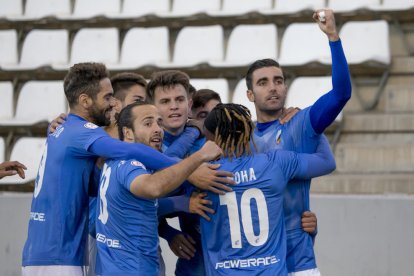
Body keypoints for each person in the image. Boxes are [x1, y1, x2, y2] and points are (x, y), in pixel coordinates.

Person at [21, 63, 233, 276]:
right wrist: (192, 168)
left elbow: (116, 197)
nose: (111, 102)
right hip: (68, 255)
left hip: (56, 251)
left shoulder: (73, 135)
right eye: (108, 97)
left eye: (158, 121)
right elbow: (148, 182)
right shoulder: (113, 151)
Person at [246, 9, 352, 275]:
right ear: (250, 94)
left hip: (299, 260)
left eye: (278, 81)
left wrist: (333, 37)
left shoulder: (301, 123)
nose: (273, 87)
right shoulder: (240, 137)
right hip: (256, 262)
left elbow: (341, 94)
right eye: (263, 82)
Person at [200, 103, 336, 275]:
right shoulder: (274, 163)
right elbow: (327, 162)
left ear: (213, 139)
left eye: (205, 139)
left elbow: (159, 189)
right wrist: (311, 126)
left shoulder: (202, 175)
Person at [95, 102, 223, 275]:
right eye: (148, 124)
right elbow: (153, 187)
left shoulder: (113, 162)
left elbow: (141, 207)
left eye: (159, 123)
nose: (157, 129)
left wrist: (184, 203)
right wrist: (199, 157)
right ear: (127, 133)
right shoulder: (129, 165)